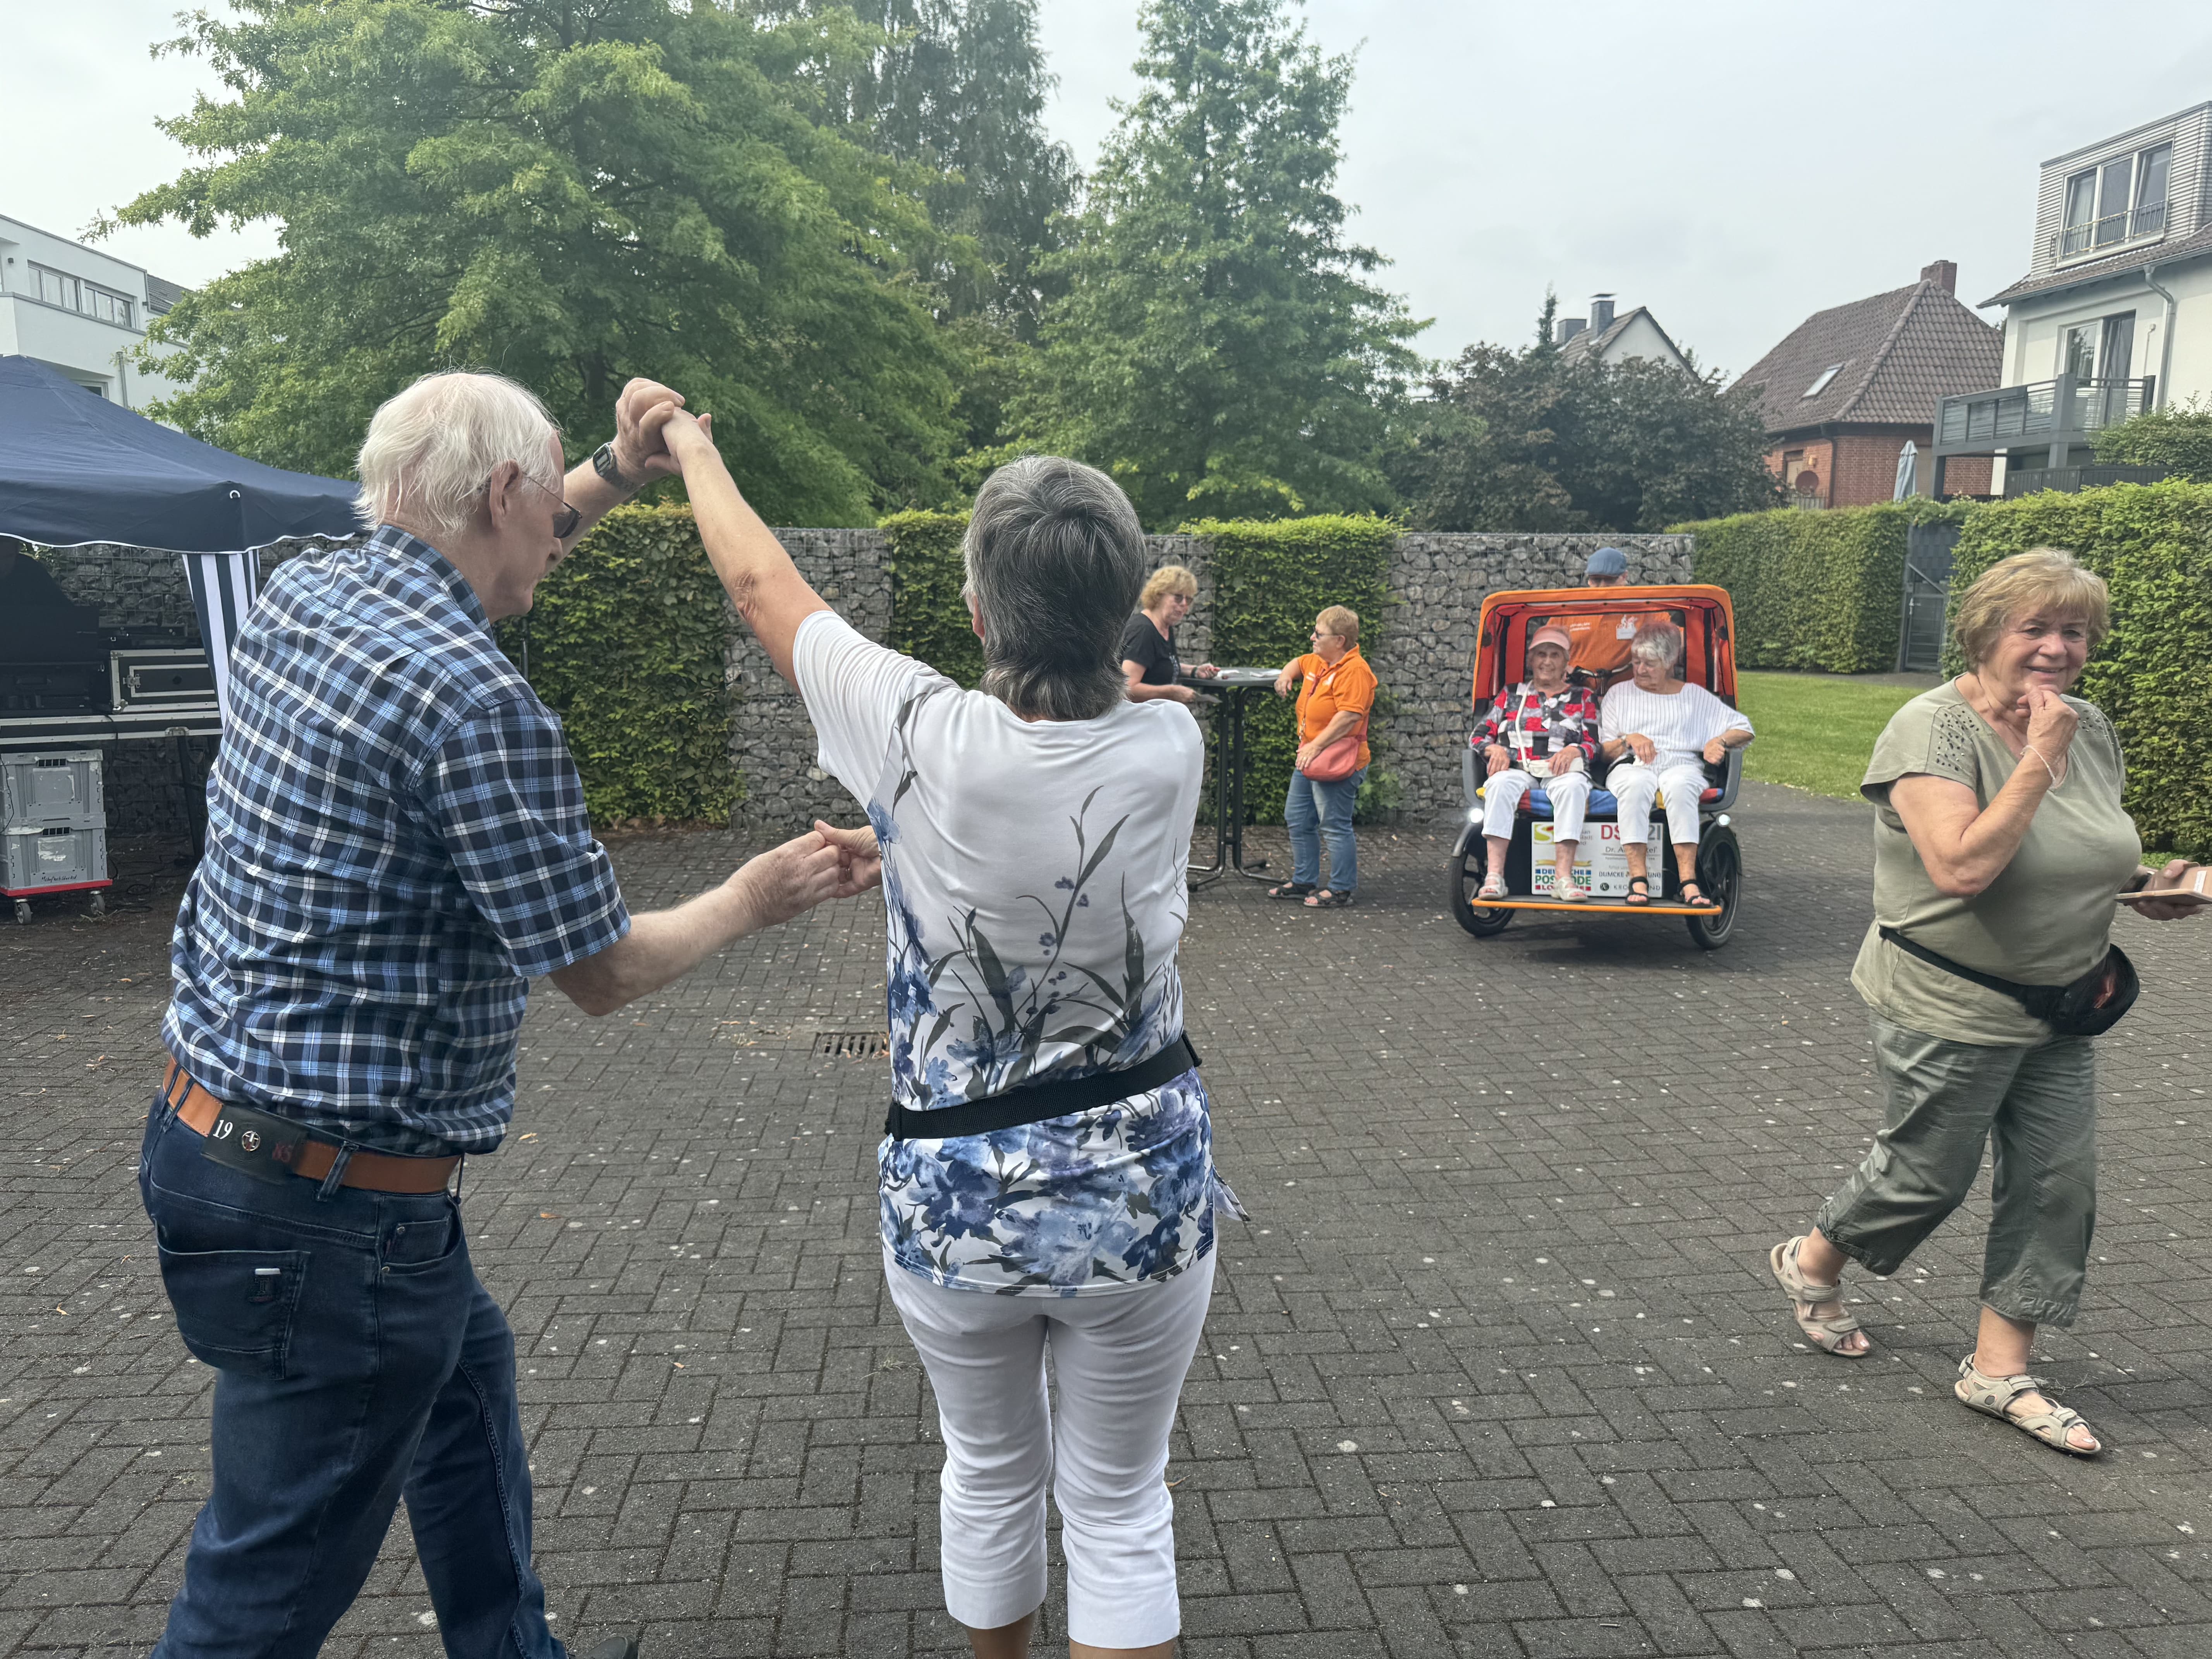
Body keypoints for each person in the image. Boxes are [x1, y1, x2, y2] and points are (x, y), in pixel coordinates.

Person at [143, 371, 879, 1659]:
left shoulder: (302, 589)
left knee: (464, 1386)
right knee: (255, 1597)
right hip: (335, 1220)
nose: (558, 535)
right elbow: (601, 970)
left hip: (210, 1149)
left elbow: (502, 544)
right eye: (547, 508)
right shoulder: (478, 707)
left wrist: (610, 466)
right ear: (498, 493)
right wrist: (761, 893)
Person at [663, 417, 1234, 1659]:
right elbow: (1063, 832)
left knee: (983, 1474)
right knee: (1123, 1508)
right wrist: (914, 849)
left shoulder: (914, 733)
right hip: (1142, 1193)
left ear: (977, 616)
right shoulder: (1169, 747)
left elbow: (761, 583)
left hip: (952, 1204)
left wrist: (688, 446)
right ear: (1124, 612)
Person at [1770, 548, 2203, 1456]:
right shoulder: (1931, 731)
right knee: (1925, 1176)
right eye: (2035, 627)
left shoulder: (2085, 724)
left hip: (2062, 1004)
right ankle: (1812, 1260)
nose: (2057, 648)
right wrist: (2040, 758)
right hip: (1949, 1003)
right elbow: (1963, 866)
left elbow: (2077, 846)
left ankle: (1999, 1369)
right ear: (1984, 633)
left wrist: (2146, 886)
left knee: (2057, 1183)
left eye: (2074, 631)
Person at [1598, 621, 1753, 907]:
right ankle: (1638, 878)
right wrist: (1627, 739)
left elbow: (1744, 729)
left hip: (1681, 764)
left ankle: (1688, 880)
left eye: (1650, 663)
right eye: (1636, 662)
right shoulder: (1619, 695)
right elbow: (1605, 753)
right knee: (1636, 783)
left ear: (1670, 663)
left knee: (1680, 785)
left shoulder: (1693, 696)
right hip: (1631, 766)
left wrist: (1718, 742)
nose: (1641, 670)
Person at [1473, 625, 1599, 902]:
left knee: (1573, 787)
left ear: (1567, 662)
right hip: (1519, 767)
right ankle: (1494, 876)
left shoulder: (1583, 697)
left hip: (1560, 770)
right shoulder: (1511, 693)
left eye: (1555, 655)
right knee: (1499, 785)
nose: (1547, 661)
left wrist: (1576, 750)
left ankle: (1563, 878)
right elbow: (1479, 735)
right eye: (1541, 654)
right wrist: (1494, 749)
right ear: (1530, 660)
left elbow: (1594, 741)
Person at [1265, 606, 1378, 909]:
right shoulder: (1320, 660)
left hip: (1336, 761)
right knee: (1298, 818)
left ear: (1340, 640)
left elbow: (1349, 716)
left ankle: (1341, 889)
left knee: (1334, 825)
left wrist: (1316, 746)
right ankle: (1304, 881)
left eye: (1319, 633)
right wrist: (1285, 677)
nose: (1312, 637)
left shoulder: (1355, 671)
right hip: (1310, 757)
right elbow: (1298, 664)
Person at [1545, 546, 1674, 685]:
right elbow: (1545, 645)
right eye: (1596, 580)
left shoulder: (1643, 608)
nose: (1602, 587)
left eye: (1609, 580)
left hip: (1629, 695)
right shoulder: (1571, 609)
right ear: (1588, 580)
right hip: (1578, 691)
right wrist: (1563, 666)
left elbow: (1676, 639)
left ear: (1624, 577)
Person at [1118, 564, 1216, 704]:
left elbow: (1158, 665)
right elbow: (1127, 689)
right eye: (1178, 597)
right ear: (1158, 595)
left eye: (1188, 600)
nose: (1184, 604)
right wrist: (1171, 692)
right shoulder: (1143, 631)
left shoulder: (1164, 627)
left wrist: (1194, 671)